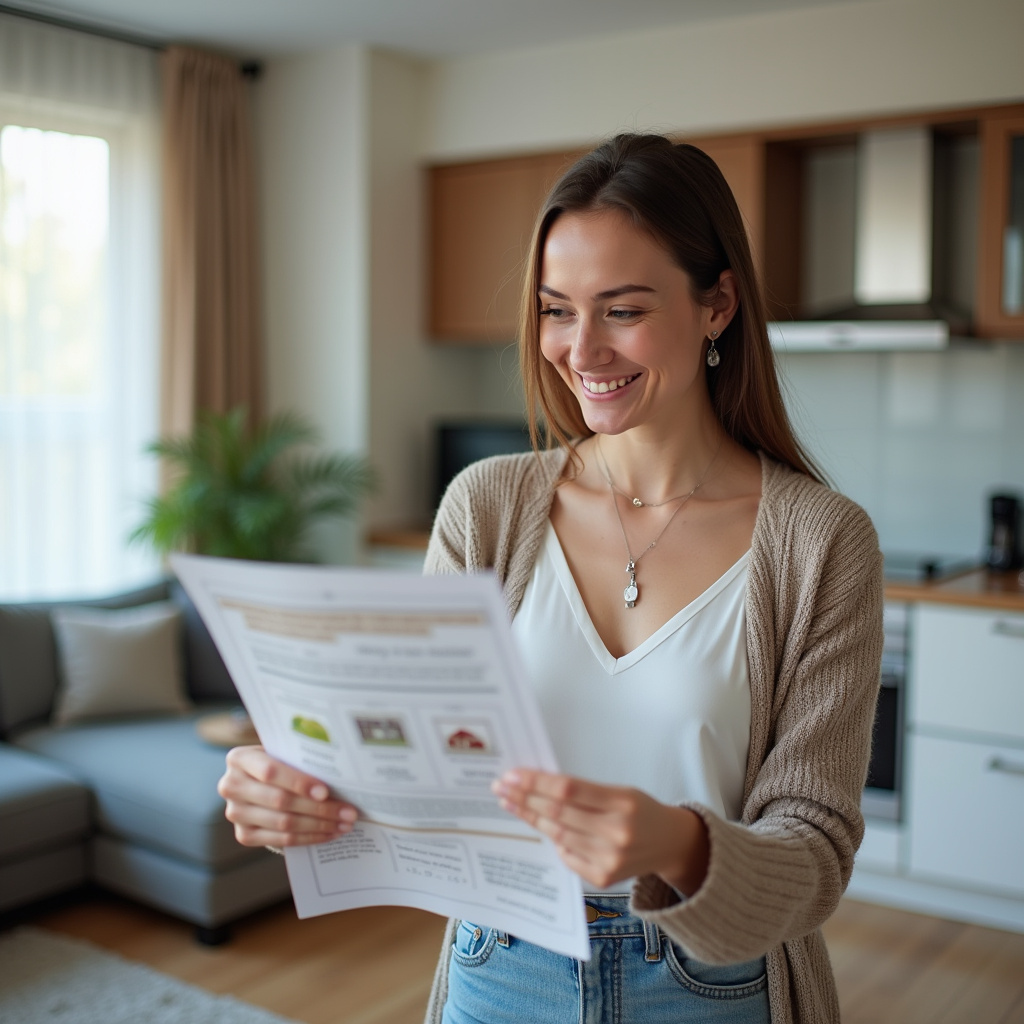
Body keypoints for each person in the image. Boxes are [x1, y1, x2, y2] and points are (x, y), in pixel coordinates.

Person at [217, 134, 884, 1024]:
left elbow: (816, 853)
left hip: (710, 983)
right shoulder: (485, 508)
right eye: (556, 310)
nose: (582, 351)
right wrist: (304, 794)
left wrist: (676, 844)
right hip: (501, 965)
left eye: (622, 309)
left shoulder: (821, 541)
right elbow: (420, 770)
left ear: (717, 303)